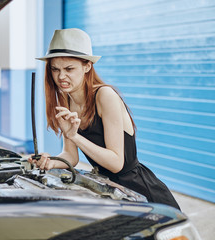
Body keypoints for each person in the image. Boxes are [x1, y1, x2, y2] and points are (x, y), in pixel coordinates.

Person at [29, 28, 180, 210]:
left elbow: (116, 163)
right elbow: (71, 156)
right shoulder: (66, 100)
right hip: (110, 192)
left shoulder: (104, 95)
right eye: (55, 69)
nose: (61, 76)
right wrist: (50, 161)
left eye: (69, 69)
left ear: (87, 66)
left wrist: (75, 136)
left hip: (142, 194)